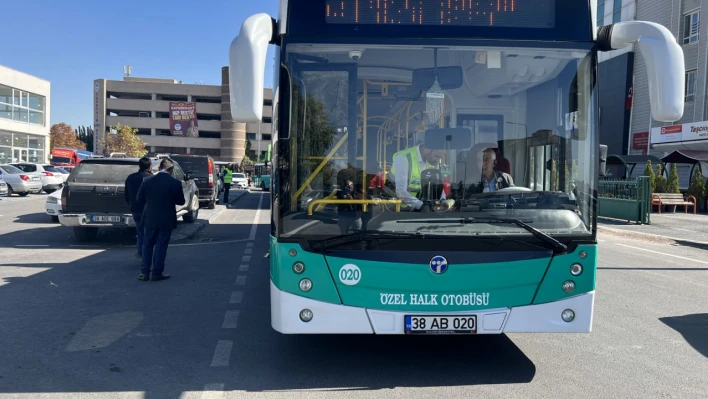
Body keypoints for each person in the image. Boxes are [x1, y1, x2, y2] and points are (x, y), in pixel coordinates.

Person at [136, 158, 186, 281]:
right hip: (166, 219)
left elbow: (139, 198)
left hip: (149, 218)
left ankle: (145, 272)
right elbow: (181, 201)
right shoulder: (175, 183)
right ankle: (157, 272)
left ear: (159, 168)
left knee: (147, 245)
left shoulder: (147, 181)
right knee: (161, 246)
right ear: (171, 170)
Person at [388, 142, 448, 210]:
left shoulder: (432, 161)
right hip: (393, 208)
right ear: (428, 149)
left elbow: (437, 185)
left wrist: (442, 199)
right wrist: (421, 206)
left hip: (416, 208)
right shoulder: (403, 158)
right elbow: (401, 191)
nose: (437, 160)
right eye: (437, 156)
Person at [124, 157, 153, 263]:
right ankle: (145, 255)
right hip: (148, 210)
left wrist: (131, 205)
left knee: (140, 231)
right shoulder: (151, 178)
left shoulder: (130, 178)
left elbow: (126, 194)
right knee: (149, 233)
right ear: (150, 166)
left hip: (135, 209)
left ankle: (141, 252)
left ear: (139, 166)